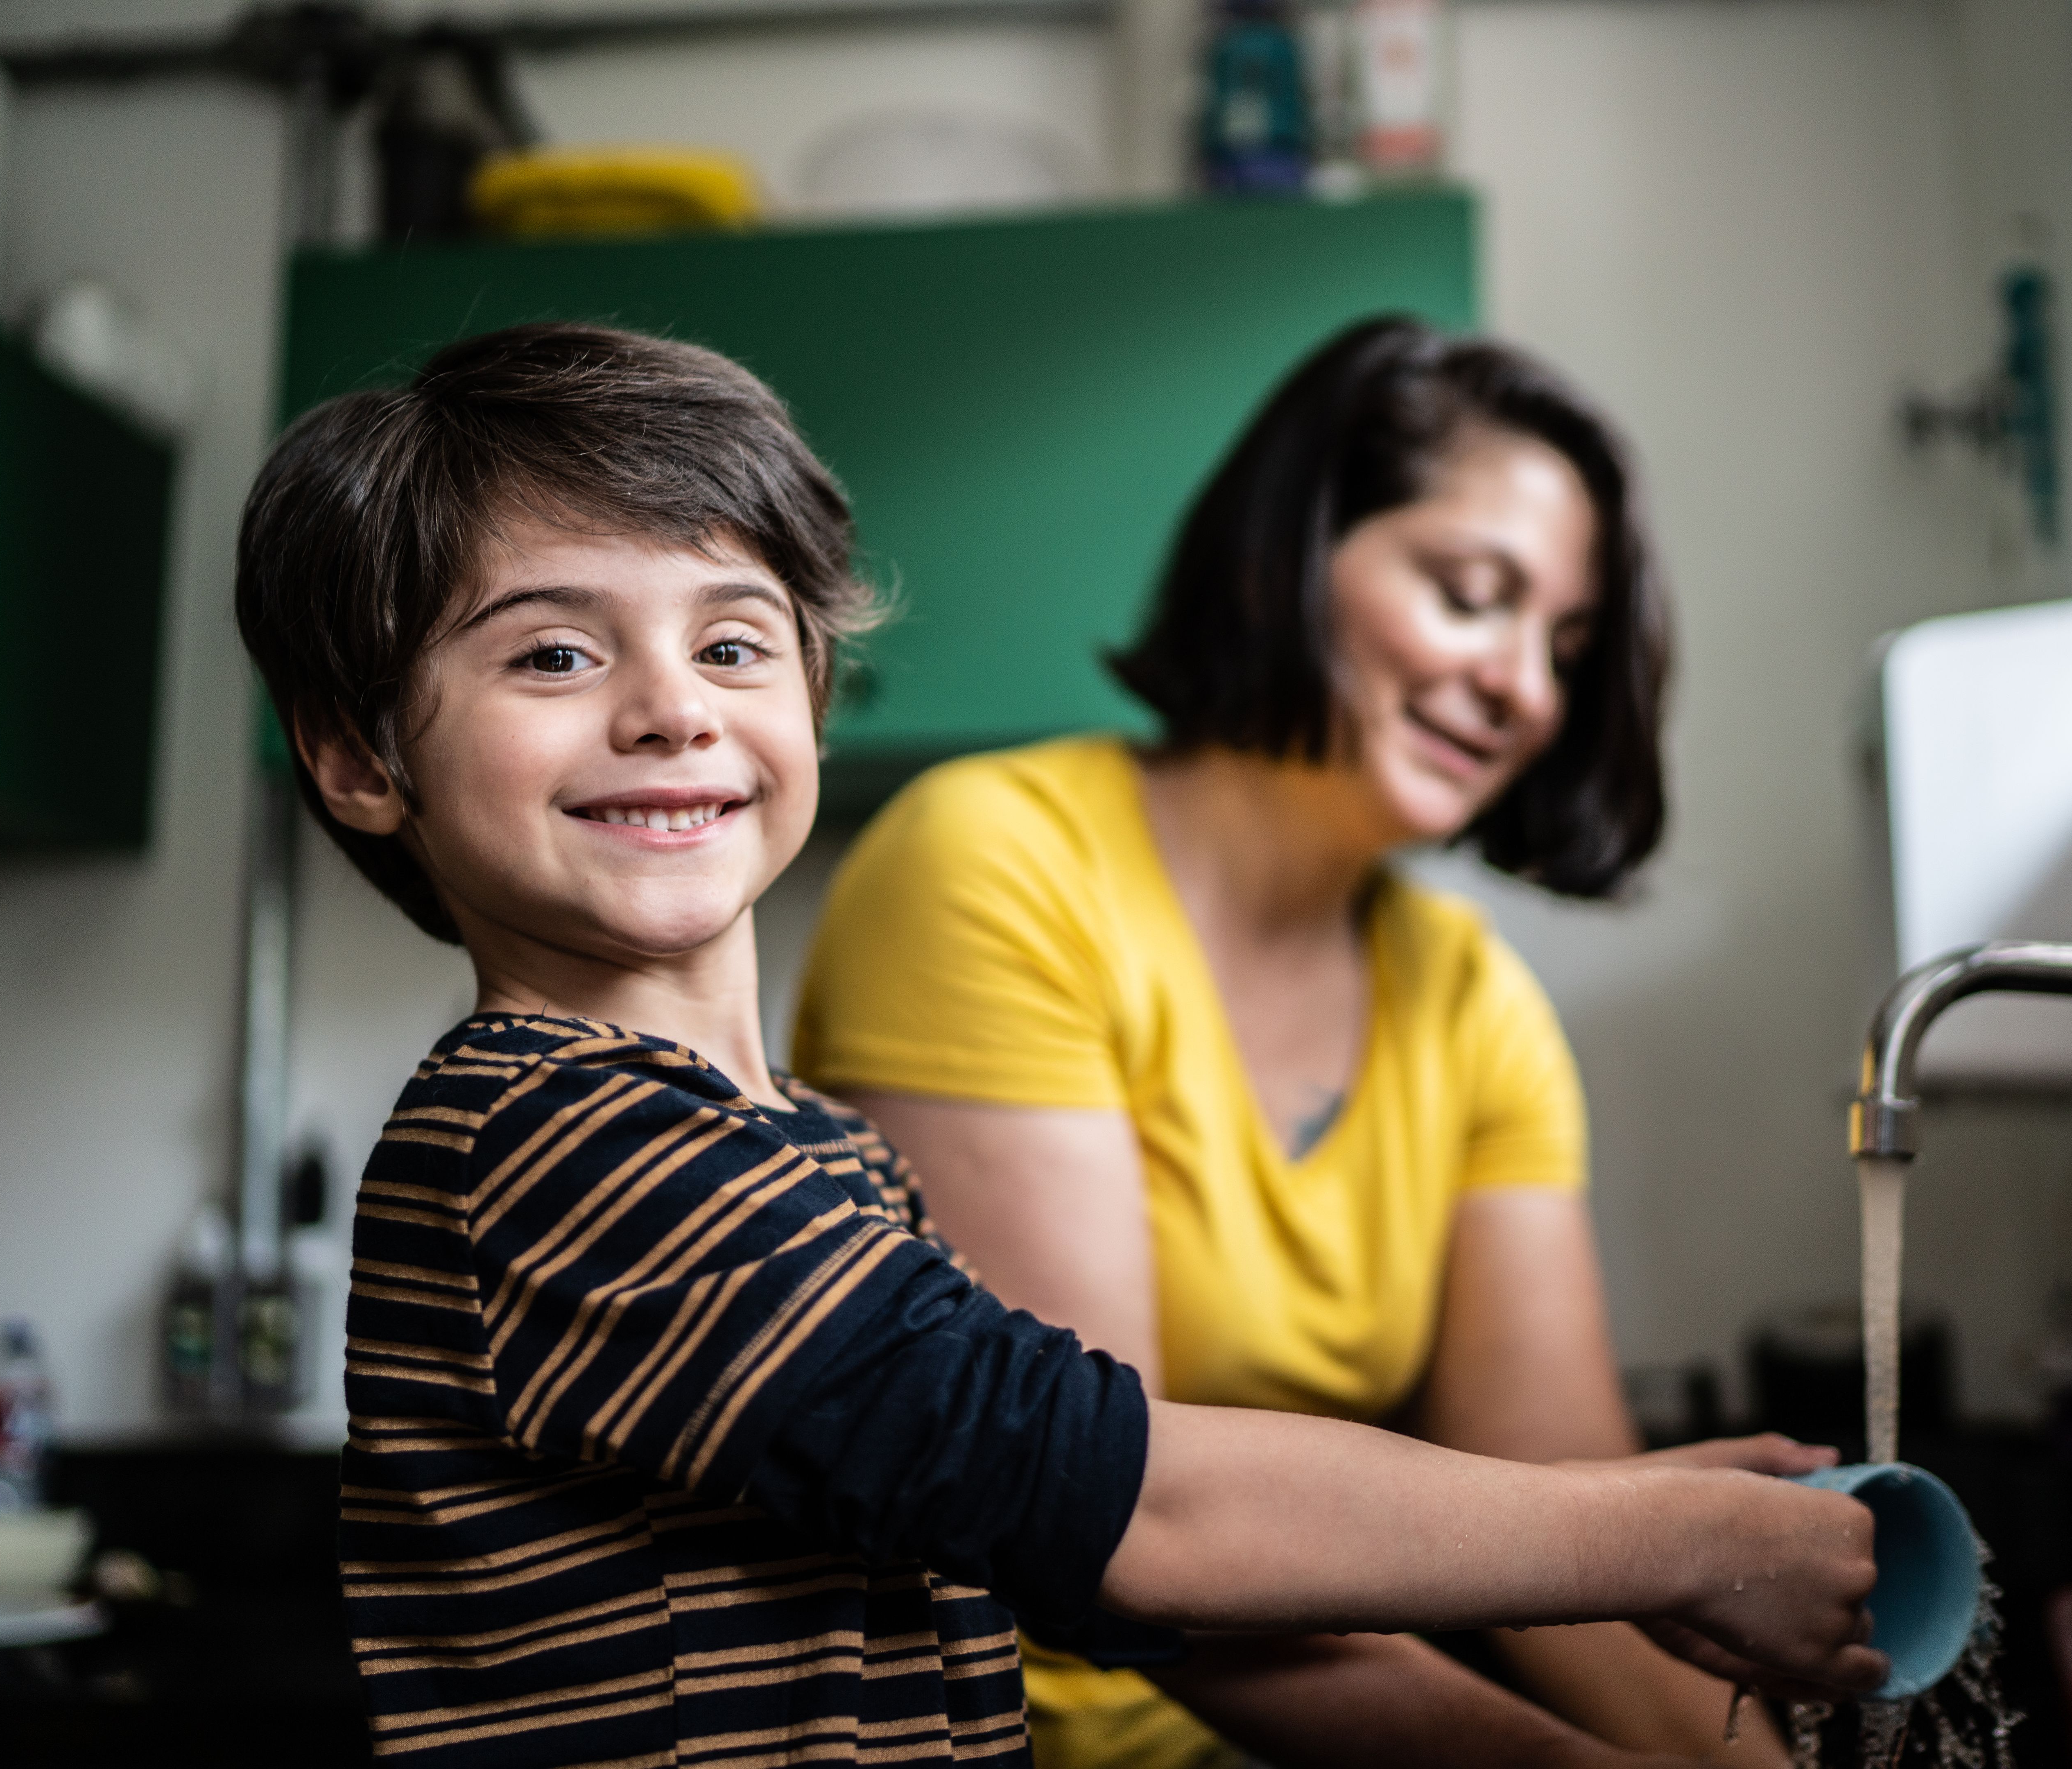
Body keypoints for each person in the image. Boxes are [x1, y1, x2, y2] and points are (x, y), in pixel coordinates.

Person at [232, 323, 1885, 1769]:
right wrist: (1677, 1536)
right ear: (364, 763)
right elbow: (1120, 1509)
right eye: (554, 651)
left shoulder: (802, 1151)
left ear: (813, 698)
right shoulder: (566, 1137)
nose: (672, 705)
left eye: (733, 642)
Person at [794, 317, 1814, 1767]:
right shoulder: (994, 864)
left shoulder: (1474, 1004)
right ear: (1292, 551)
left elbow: (1573, 1556)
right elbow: (1110, 1524)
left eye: (1566, 647)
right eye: (1474, 597)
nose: (1525, 685)